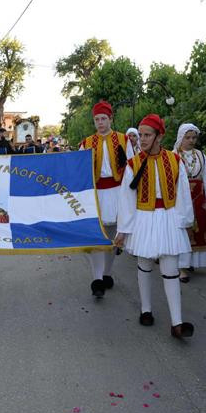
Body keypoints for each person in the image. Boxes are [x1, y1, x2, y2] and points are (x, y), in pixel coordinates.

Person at [114, 114, 196, 339]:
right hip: (143, 218)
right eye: (140, 135)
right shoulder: (133, 164)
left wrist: (185, 222)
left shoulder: (174, 160)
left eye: (147, 135)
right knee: (144, 265)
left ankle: (177, 322)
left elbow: (183, 195)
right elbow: (127, 200)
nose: (142, 139)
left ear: (160, 136)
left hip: (169, 218)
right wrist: (124, 230)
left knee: (170, 269)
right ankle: (146, 310)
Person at [79, 100, 134, 298]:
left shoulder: (123, 139)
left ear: (110, 119)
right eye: (97, 119)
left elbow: (130, 169)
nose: (100, 122)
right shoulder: (86, 143)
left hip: (118, 193)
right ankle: (97, 279)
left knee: (113, 238)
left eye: (103, 118)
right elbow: (79, 171)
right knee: (97, 236)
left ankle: (107, 273)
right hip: (97, 194)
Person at [173, 123, 206, 282]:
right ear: (181, 137)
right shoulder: (173, 156)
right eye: (188, 137)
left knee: (198, 231)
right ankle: (182, 268)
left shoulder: (201, 155)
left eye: (194, 137)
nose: (191, 140)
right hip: (181, 199)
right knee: (184, 231)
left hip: (199, 199)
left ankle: (191, 262)